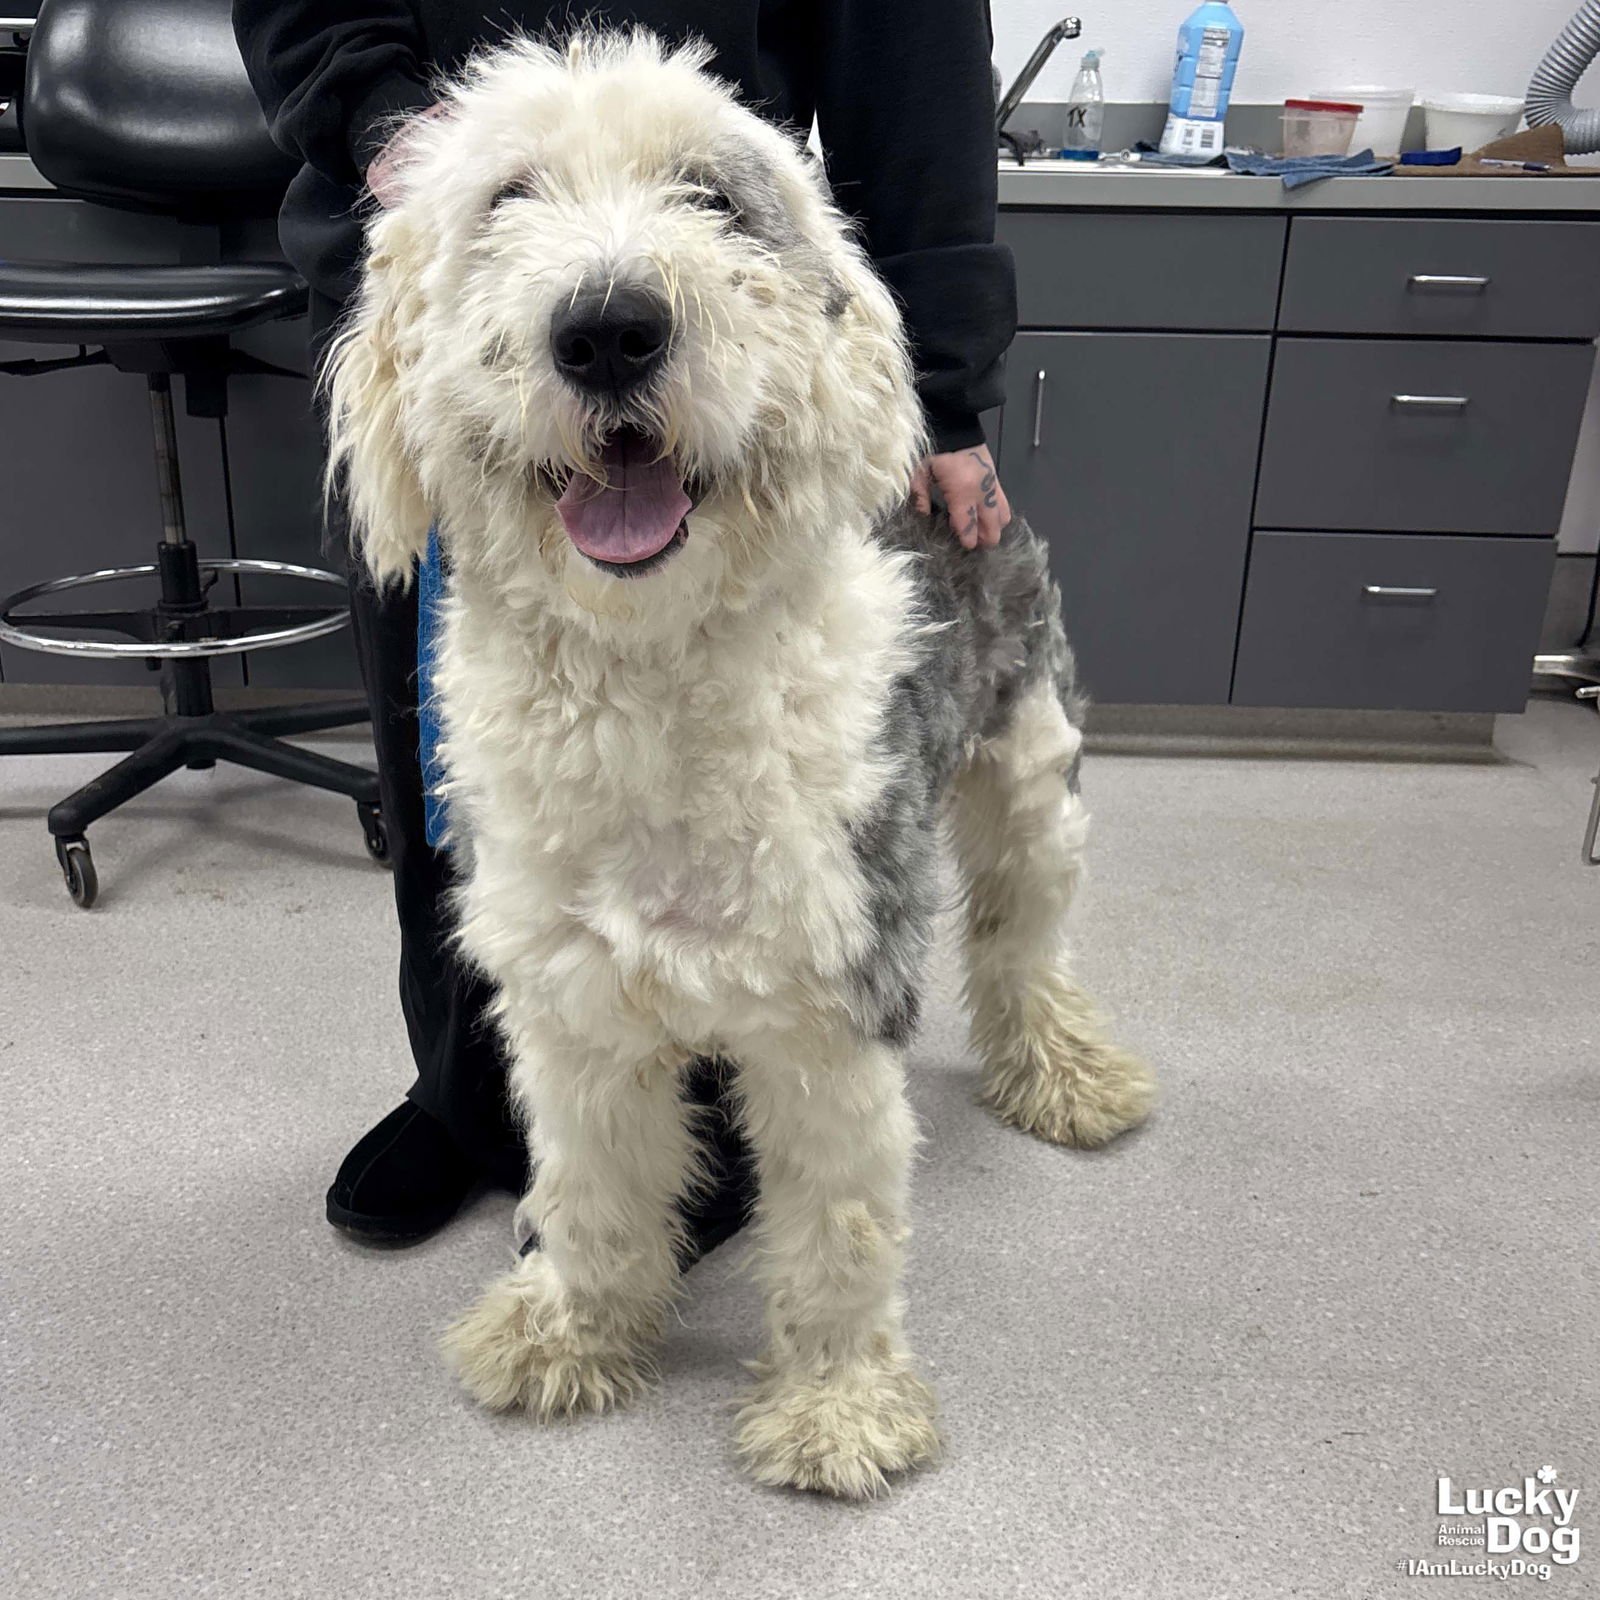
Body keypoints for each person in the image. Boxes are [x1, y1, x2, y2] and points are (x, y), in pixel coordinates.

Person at [233, 0, 1018, 1248]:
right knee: (475, 788)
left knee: (751, 784)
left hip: (736, 298)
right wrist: (395, 130)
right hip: (441, 255)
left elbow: (911, 69)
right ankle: (471, 1086)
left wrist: (946, 390)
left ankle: (709, 1110)